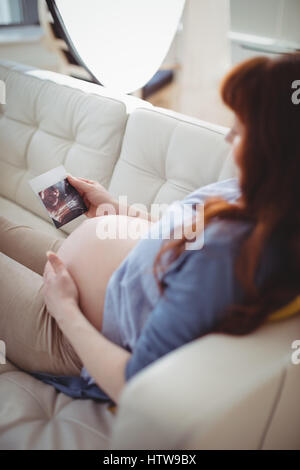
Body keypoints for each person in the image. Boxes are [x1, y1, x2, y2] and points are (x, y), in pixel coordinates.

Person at [1, 53, 300, 407]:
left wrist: (65, 308)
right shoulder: (255, 197)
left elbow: (137, 385)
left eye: (240, 129)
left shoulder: (234, 256)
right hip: (78, 284)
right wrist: (113, 209)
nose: (228, 138)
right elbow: (184, 240)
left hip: (66, 329)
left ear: (274, 147)